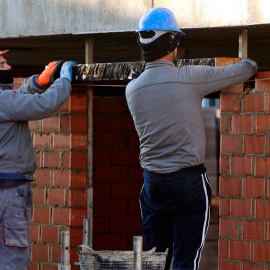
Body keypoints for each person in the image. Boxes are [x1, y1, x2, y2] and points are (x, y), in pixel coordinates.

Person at [125, 7, 258, 270]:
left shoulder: (132, 89)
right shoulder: (190, 78)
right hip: (188, 183)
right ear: (172, 41)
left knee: (155, 261)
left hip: (152, 184)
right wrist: (253, 61)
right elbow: (245, 69)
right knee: (187, 262)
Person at [0, 49, 76, 270]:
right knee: (12, 259)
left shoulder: (5, 101)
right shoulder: (4, 100)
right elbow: (43, 105)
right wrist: (65, 80)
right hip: (9, 191)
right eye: (3, 64)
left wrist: (39, 82)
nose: (8, 67)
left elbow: (15, 102)